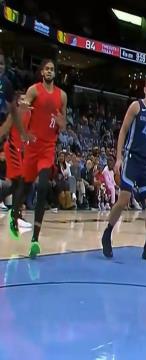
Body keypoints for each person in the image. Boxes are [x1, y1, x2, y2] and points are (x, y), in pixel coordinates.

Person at [101, 75, 146, 261]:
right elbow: (123, 131)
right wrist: (119, 158)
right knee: (123, 199)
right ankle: (107, 233)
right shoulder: (136, 106)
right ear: (144, 89)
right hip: (131, 158)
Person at [8, 59, 67, 258]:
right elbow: (22, 110)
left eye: (52, 69)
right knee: (24, 187)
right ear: (42, 72)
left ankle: (35, 239)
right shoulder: (34, 90)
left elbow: (63, 125)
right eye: (47, 68)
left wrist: (61, 123)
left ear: (55, 73)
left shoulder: (62, 95)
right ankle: (14, 215)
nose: (49, 71)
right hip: (32, 147)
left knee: (42, 187)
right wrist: (24, 124)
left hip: (48, 148)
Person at [0, 92, 32, 228]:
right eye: (22, 99)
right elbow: (4, 130)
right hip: (12, 148)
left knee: (15, 185)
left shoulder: (29, 113)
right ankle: (16, 217)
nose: (25, 101)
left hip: (20, 151)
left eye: (26, 98)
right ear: (17, 102)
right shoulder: (15, 113)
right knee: (21, 183)